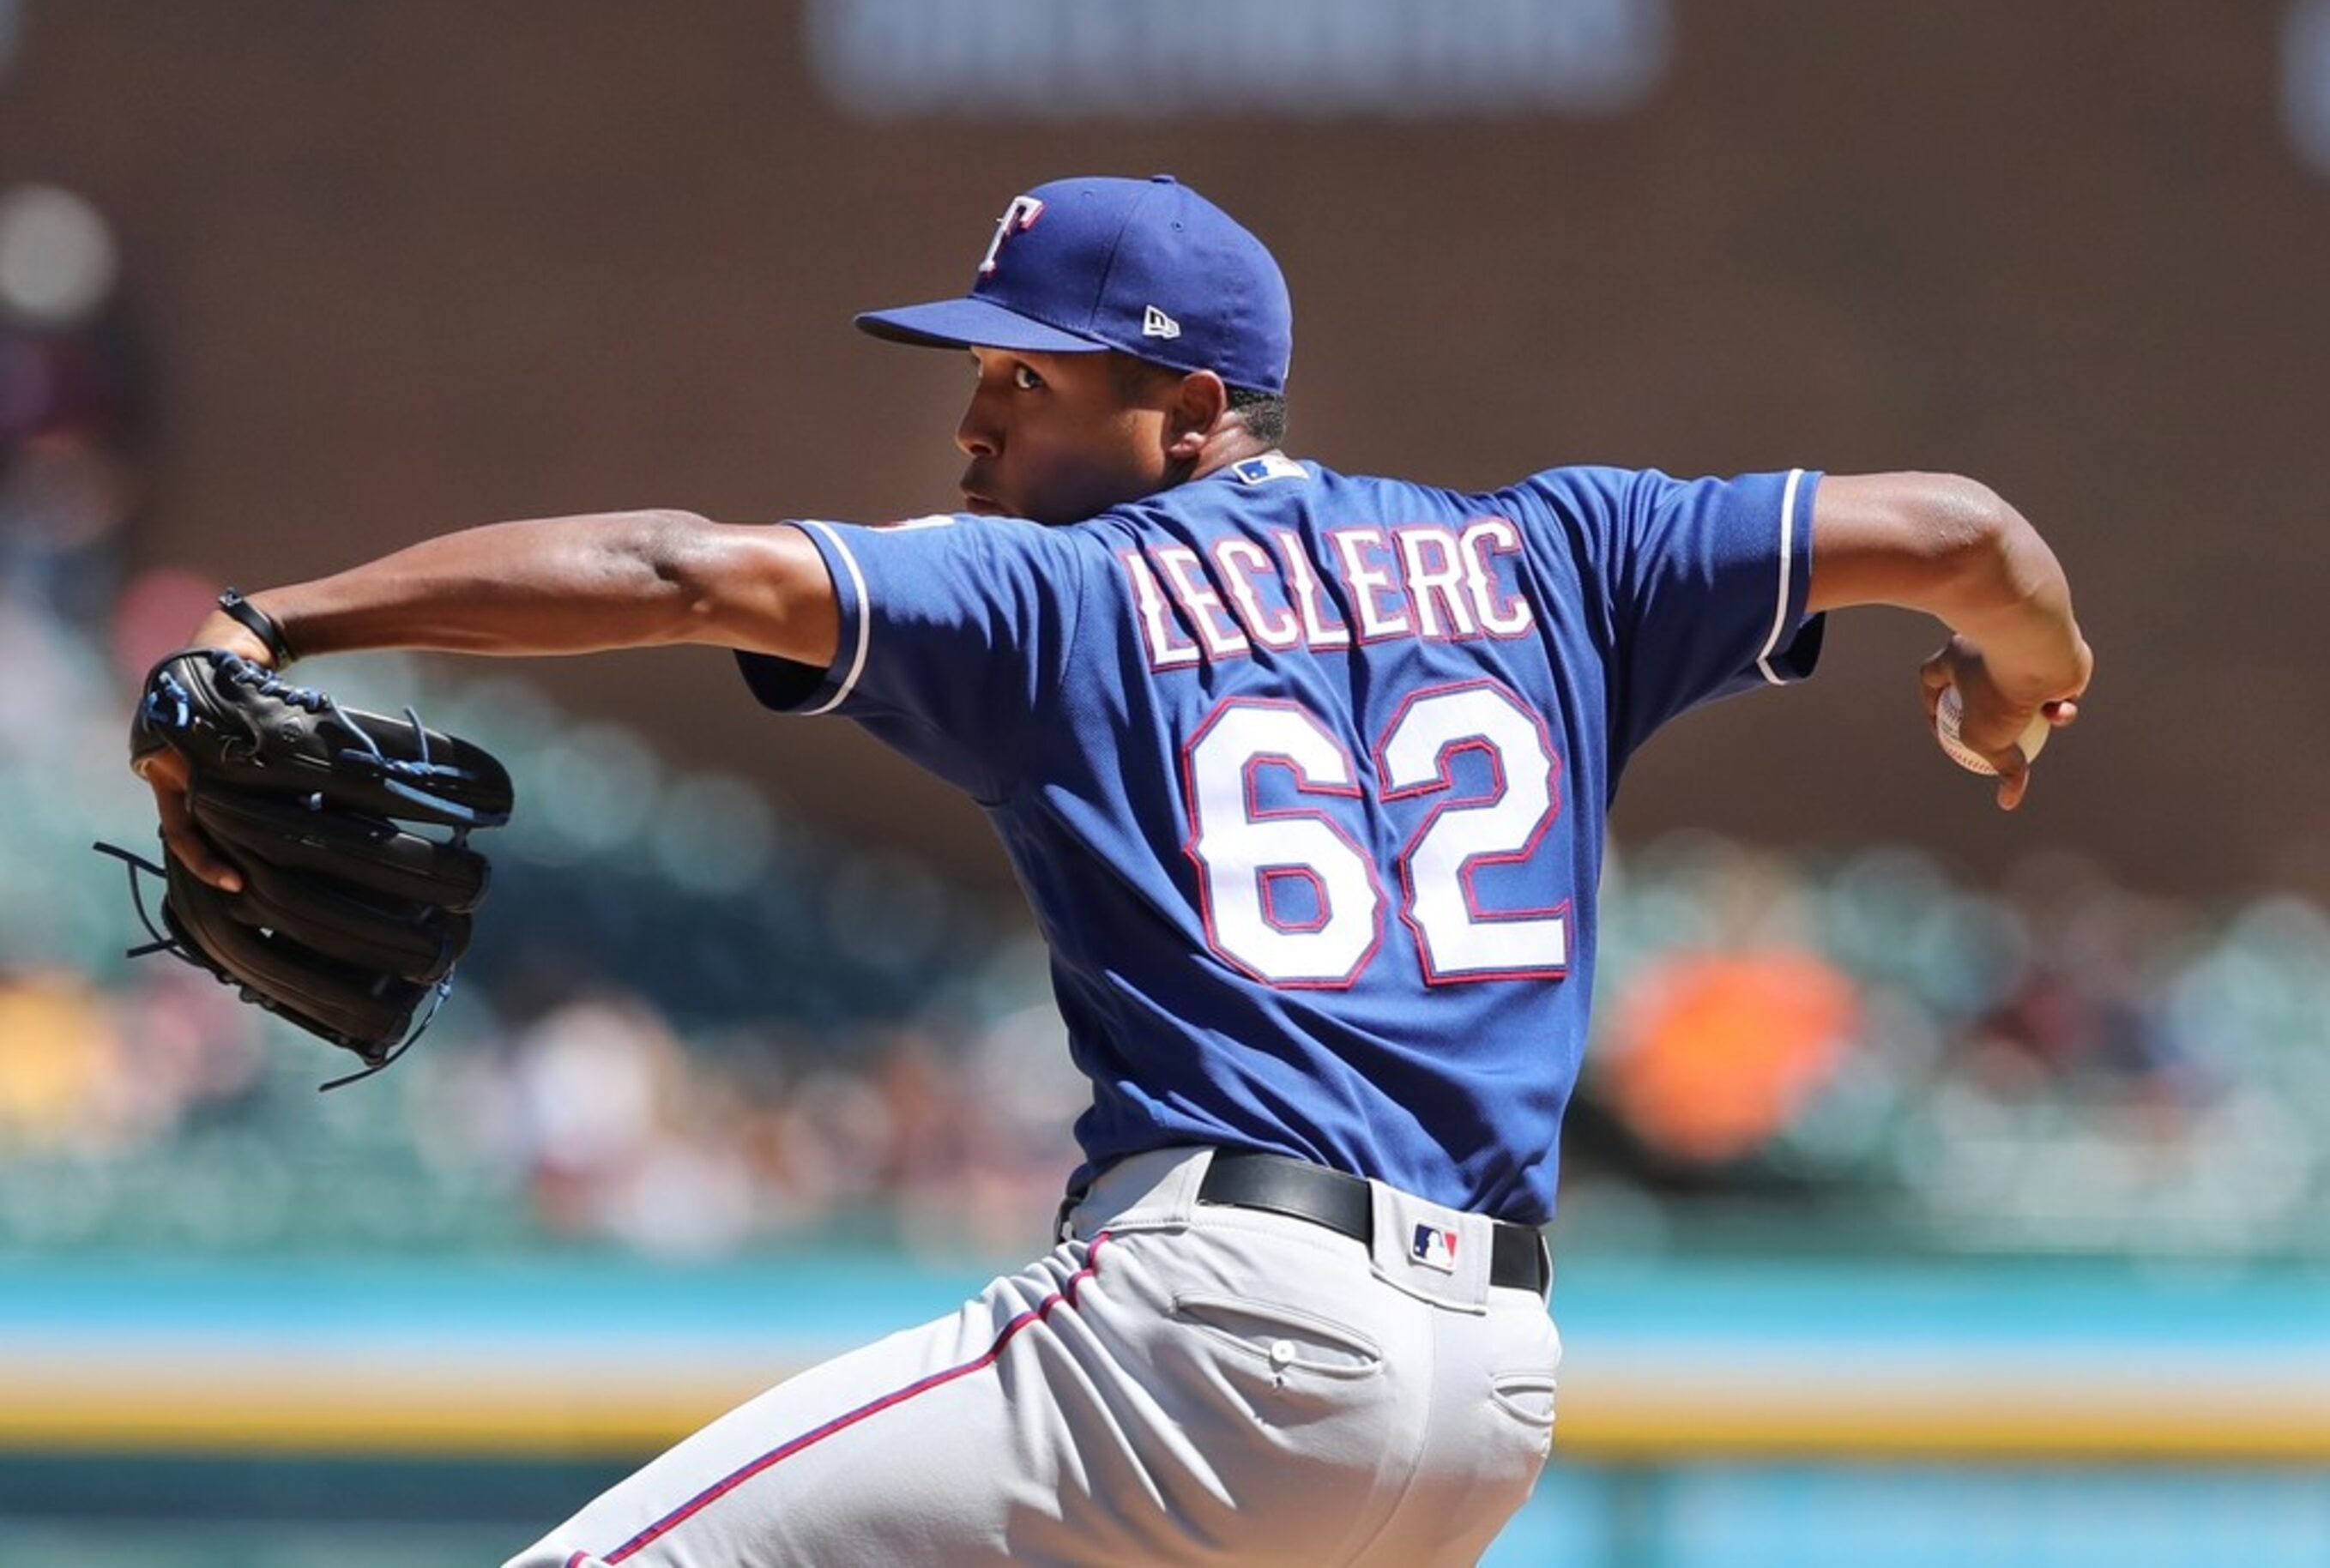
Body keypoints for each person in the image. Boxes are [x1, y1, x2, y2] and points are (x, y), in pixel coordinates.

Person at [137, 174, 2092, 1566]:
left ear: (1185, 414)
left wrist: (272, 623)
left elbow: (673, 567)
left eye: (1030, 384)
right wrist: (2021, 690)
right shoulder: (1557, 557)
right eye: (976, 376)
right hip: (1480, 1406)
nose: (975, 422)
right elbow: (1968, 535)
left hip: (1208, 1341)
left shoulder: (1052, 594)